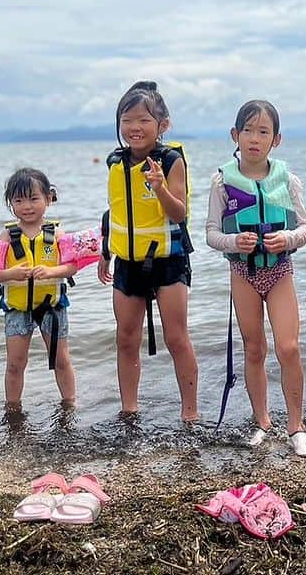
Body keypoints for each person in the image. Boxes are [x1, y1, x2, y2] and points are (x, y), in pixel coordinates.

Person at [205, 100, 306, 457]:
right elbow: (211, 233)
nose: (254, 138)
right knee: (254, 349)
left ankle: (297, 427)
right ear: (234, 135)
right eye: (248, 130)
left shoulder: (287, 180)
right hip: (242, 273)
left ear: (277, 139)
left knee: (289, 347)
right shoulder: (223, 182)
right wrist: (233, 242)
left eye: (263, 131)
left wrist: (286, 239)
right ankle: (262, 422)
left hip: (280, 271)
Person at [96, 81, 199, 423]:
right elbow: (114, 209)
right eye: (127, 120)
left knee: (176, 337)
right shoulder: (116, 161)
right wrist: (104, 251)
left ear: (162, 124)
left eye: (143, 120)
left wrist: (159, 188)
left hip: (168, 259)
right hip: (127, 260)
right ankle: (129, 410)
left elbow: (180, 212)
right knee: (126, 338)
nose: (134, 128)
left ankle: (190, 412)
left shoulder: (170, 160)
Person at [0, 167, 78, 413]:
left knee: (61, 360)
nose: (27, 206)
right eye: (19, 200)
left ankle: (70, 404)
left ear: (48, 199)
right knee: (15, 363)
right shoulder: (7, 235)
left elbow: (72, 267)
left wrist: (52, 272)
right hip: (17, 310)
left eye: (33, 198)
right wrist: (12, 274)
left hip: (52, 307)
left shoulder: (57, 233)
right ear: (10, 204)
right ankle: (13, 409)